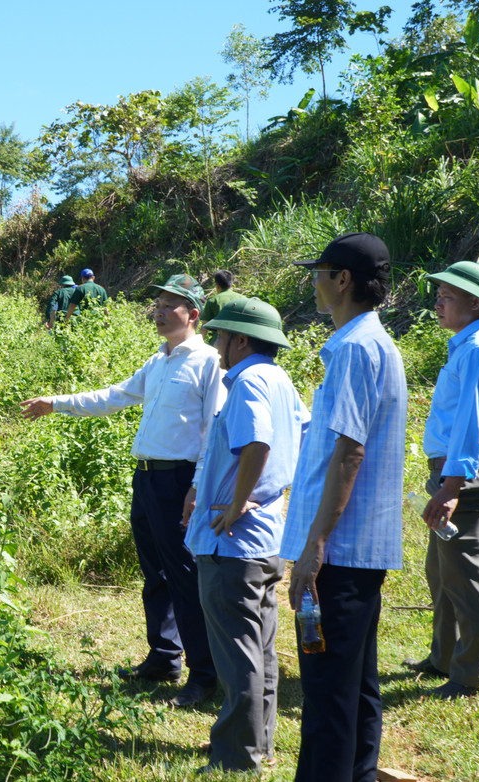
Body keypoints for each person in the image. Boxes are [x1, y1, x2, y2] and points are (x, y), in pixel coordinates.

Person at [21, 274, 224, 707]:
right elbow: (114, 397)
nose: (161, 311)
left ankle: (204, 674)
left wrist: (197, 485)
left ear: (194, 314)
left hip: (179, 481)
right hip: (148, 477)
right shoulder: (159, 362)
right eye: (159, 303)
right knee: (157, 573)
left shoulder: (209, 362)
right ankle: (164, 657)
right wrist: (57, 402)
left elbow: (213, 428)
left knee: (185, 576)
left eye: (172, 305)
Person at [282, 233, 407, 782]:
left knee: (328, 694)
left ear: (344, 280)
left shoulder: (357, 348)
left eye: (320, 272)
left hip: (341, 551)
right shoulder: (368, 343)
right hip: (355, 550)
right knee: (355, 686)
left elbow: (350, 452)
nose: (313, 281)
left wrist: (314, 548)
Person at [182, 297, 308, 774]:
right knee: (260, 649)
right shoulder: (280, 381)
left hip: (233, 543)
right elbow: (305, 433)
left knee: (238, 655)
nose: (215, 347)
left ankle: (238, 756)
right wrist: (273, 491)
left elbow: (258, 442)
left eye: (220, 336)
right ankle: (260, 742)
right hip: (266, 538)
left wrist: (236, 502)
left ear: (240, 339)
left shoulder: (251, 380)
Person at [403, 261, 479, 700]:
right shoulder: (472, 343)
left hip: (468, 475)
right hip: (458, 473)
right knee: (442, 569)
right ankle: (444, 657)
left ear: (475, 302)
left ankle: (472, 677)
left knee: (466, 576)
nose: (438, 302)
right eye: (438, 294)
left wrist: (451, 487)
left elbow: (471, 421)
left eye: (447, 296)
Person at [200, 269, 239, 340]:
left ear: (217, 285)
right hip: (239, 343)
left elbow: (204, 327)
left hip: (219, 342)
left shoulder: (213, 300)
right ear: (232, 284)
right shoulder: (244, 299)